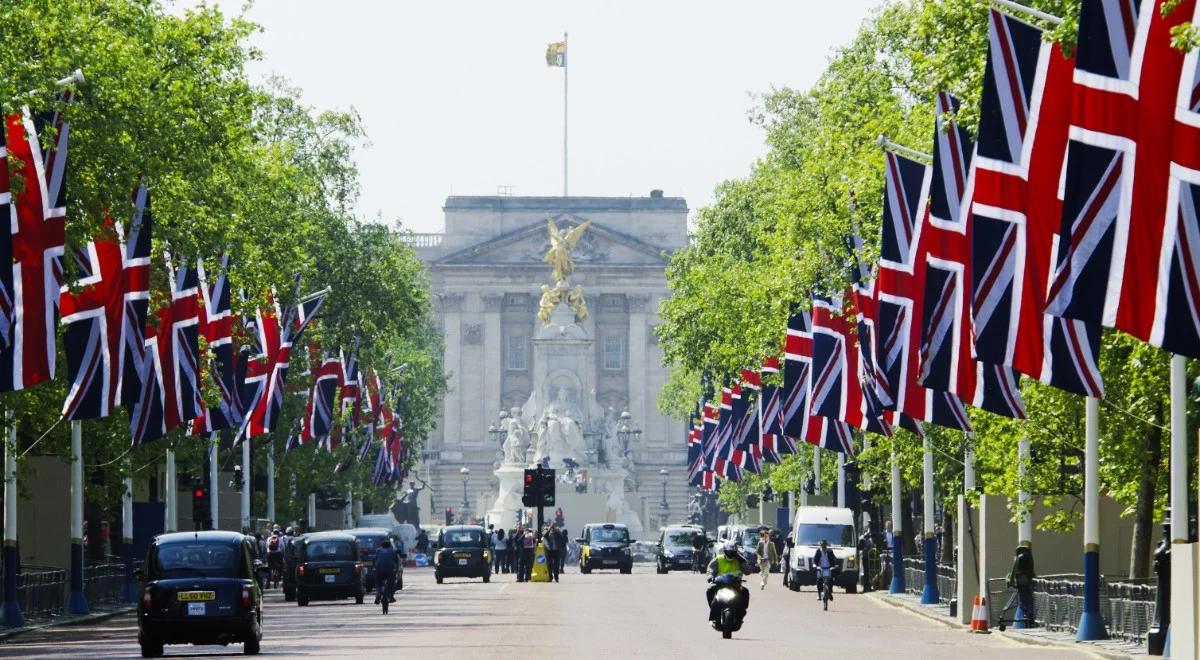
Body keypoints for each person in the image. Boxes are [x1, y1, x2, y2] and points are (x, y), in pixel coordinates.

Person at [706, 539, 750, 622]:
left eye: (732, 552)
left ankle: (742, 612)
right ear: (725, 551)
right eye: (728, 552)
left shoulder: (740, 560)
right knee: (710, 590)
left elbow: (748, 571)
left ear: (736, 552)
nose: (730, 554)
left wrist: (741, 560)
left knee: (745, 591)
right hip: (720, 585)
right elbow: (710, 569)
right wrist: (710, 576)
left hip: (735, 585)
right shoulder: (718, 559)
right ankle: (713, 613)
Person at [373, 538, 399, 606]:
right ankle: (391, 596)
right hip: (389, 570)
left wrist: (375, 568)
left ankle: (378, 595)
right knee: (391, 583)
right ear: (390, 546)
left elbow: (375, 559)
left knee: (378, 583)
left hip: (379, 570)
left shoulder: (378, 550)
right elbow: (396, 561)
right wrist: (396, 570)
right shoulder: (392, 551)